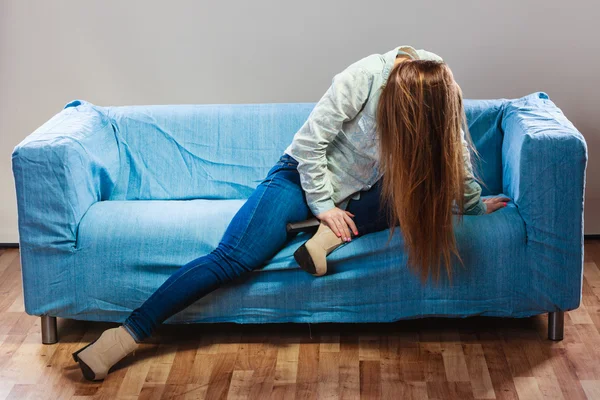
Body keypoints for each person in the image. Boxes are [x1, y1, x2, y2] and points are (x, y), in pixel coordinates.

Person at [72, 45, 509, 381]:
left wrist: (471, 204)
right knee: (234, 259)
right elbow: (307, 146)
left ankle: (323, 243)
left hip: (366, 190)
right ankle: (121, 338)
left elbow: (453, 154)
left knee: (417, 194)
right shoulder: (363, 78)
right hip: (301, 176)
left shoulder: (440, 89)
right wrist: (324, 208)